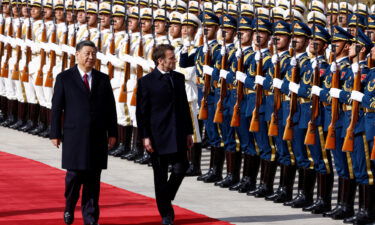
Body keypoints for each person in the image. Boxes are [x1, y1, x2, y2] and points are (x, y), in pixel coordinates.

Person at [50, 40, 118, 225]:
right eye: (87, 53)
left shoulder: (103, 79)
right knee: (73, 177)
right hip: (74, 136)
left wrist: (113, 132)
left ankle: (90, 218)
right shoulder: (64, 78)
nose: (91, 57)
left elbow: (110, 109)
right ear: (77, 55)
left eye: (94, 54)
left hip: (97, 137)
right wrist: (55, 133)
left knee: (93, 180)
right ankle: (69, 206)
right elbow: (57, 108)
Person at [136, 44, 194, 225]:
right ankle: (166, 214)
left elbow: (184, 106)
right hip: (157, 135)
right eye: (171, 58)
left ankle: (165, 195)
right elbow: (142, 112)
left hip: (177, 132)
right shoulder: (146, 81)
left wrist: (189, 132)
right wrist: (145, 136)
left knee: (181, 167)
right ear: (160, 61)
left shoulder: (177, 78)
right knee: (160, 175)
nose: (175, 61)